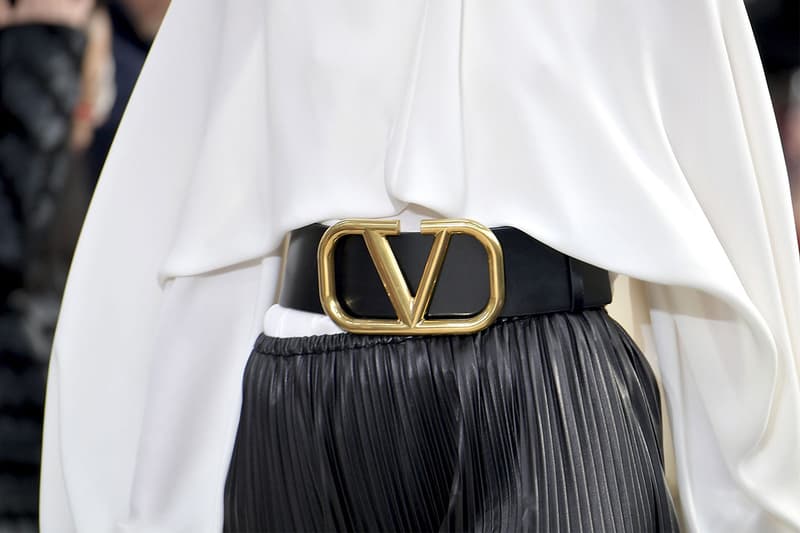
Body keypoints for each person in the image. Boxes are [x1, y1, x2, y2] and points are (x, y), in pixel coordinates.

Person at [40, 0, 800, 532]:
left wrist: (750, 499)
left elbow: (712, 175)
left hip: (545, 383)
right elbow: (208, 195)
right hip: (313, 387)